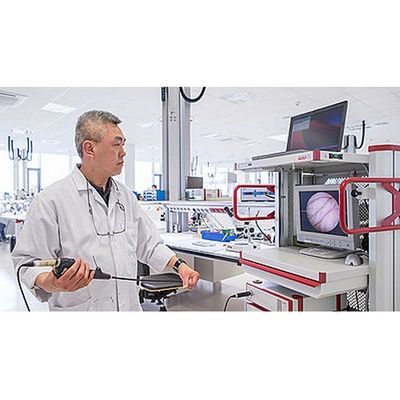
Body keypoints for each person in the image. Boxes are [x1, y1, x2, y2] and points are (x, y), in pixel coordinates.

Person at [12, 110, 200, 311]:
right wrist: (53, 282)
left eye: (123, 144)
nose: (123, 152)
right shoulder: (51, 200)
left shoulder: (125, 196)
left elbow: (149, 244)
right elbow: (27, 262)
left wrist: (180, 266)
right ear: (89, 149)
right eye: (116, 144)